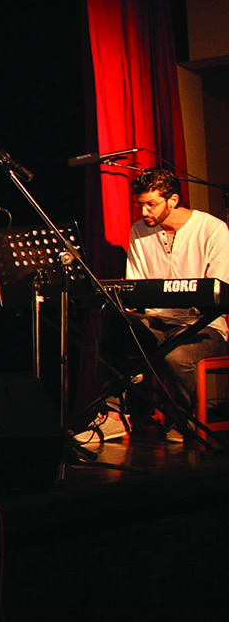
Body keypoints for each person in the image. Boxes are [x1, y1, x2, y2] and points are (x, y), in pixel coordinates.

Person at [123, 168, 229, 434]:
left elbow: (216, 291)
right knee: (115, 324)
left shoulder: (212, 229)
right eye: (141, 205)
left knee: (177, 355)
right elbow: (135, 287)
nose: (144, 211)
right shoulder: (139, 231)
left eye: (151, 204)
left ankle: (183, 420)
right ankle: (120, 414)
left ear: (173, 200)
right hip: (158, 322)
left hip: (203, 326)